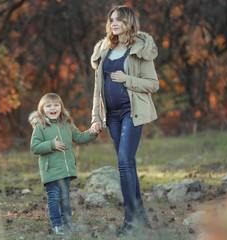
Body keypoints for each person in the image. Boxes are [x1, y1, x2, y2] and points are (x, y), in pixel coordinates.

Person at [89, 5, 159, 237]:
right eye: (111, 20)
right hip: (112, 116)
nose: (113, 23)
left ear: (129, 22)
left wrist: (127, 79)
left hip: (132, 112)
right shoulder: (104, 49)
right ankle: (142, 219)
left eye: (118, 19)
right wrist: (96, 118)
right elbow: (98, 88)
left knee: (124, 162)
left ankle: (130, 222)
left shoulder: (140, 49)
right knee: (127, 163)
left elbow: (153, 84)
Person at [29, 93, 98, 236]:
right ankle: (56, 224)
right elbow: (34, 147)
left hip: (65, 170)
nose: (52, 108)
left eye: (56, 105)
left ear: (61, 107)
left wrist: (92, 133)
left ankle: (68, 223)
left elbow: (79, 137)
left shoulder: (66, 123)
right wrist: (51, 144)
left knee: (65, 198)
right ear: (42, 110)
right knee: (54, 197)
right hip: (51, 170)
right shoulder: (40, 126)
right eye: (48, 106)